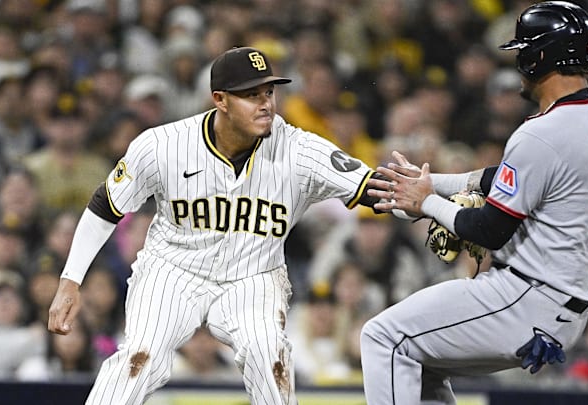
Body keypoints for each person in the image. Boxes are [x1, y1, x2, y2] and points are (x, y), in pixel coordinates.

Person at [47, 46, 383, 405]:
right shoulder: (163, 145)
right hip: (173, 268)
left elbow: (376, 188)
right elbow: (105, 207)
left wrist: (437, 205)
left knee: (269, 356)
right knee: (139, 357)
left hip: (253, 275)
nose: (265, 103)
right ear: (220, 99)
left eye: (269, 92)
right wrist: (70, 281)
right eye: (251, 95)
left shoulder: (298, 149)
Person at [361, 2, 588, 404]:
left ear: (540, 57)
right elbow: (512, 177)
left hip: (527, 296)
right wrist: (431, 183)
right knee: (417, 355)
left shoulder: (542, 134)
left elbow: (489, 230)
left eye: (523, 51)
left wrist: (426, 201)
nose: (518, 61)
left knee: (383, 337)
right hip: (561, 299)